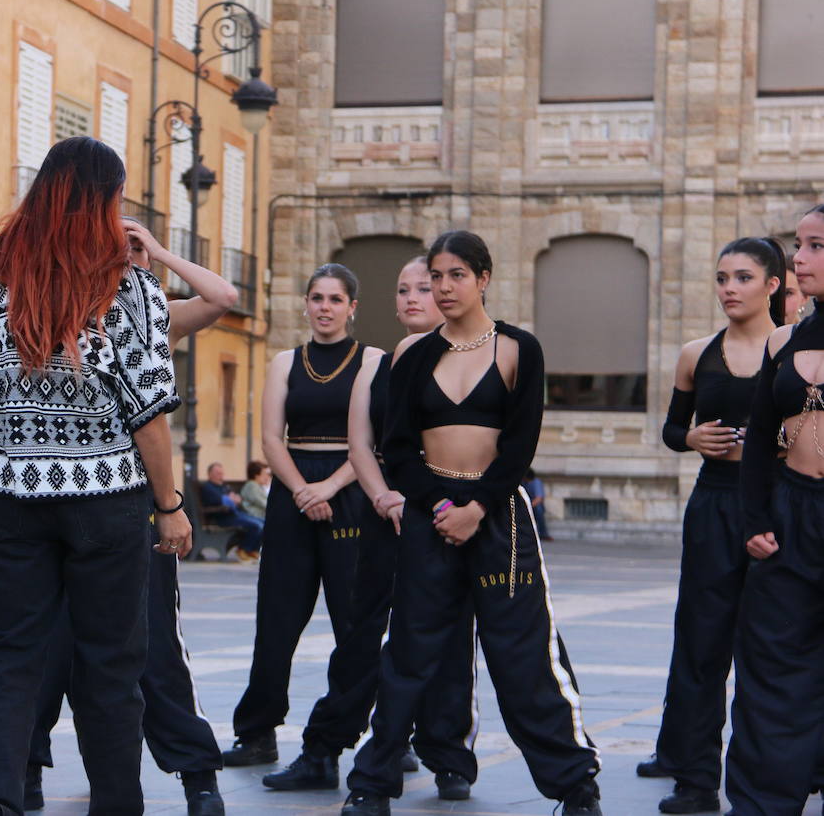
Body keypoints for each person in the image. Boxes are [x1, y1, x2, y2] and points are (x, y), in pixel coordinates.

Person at [0, 137, 189, 816]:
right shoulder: (127, 287)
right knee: (111, 665)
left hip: (12, 500)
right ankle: (116, 805)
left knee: (7, 657)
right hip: (106, 502)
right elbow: (151, 416)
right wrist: (170, 506)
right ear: (103, 201)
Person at [340, 230, 601, 816]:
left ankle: (576, 786)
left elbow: (520, 447)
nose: (443, 287)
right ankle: (373, 784)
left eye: (456, 274)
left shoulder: (517, 349)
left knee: (524, 654)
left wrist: (477, 508)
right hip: (431, 517)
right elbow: (399, 446)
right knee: (408, 651)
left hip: (499, 518)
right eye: (435, 276)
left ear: (483, 278)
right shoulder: (412, 355)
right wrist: (439, 508)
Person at [264, 255, 478, 800]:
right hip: (385, 516)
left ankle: (448, 757)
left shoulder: (472, 359)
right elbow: (363, 443)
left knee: (447, 640)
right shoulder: (379, 365)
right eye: (403, 288)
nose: (412, 298)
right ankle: (322, 750)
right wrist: (382, 495)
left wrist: (440, 502)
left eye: (425, 288)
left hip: (446, 515)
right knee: (358, 640)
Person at [635, 237, 785, 815]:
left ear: (773, 285)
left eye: (743, 278)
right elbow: (673, 430)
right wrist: (692, 438)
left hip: (775, 506)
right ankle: (696, 778)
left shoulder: (794, 351)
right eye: (722, 278)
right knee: (701, 640)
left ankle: (768, 774)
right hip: (713, 503)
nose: (729, 289)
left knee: (769, 646)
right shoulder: (698, 352)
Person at [222, 263, 373, 768]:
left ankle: (372, 731)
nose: (324, 307)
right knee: (277, 619)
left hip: (352, 487)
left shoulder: (374, 360)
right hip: (292, 487)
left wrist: (328, 487)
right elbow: (270, 437)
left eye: (335, 299)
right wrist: (304, 491)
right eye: (317, 298)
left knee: (355, 622)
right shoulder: (284, 361)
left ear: (352, 307)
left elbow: (375, 440)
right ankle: (258, 731)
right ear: (305, 304)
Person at [726, 206, 824, 815]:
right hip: (789, 516)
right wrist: (756, 521)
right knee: (770, 662)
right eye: (799, 245)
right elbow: (761, 440)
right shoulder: (783, 340)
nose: (800, 259)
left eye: (816, 246)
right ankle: (765, 801)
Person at [199, 461, 264, 561]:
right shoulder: (208, 487)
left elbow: (234, 498)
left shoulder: (223, 486)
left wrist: (232, 499)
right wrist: (230, 499)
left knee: (263, 522)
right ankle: (243, 549)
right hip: (223, 517)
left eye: (222, 473)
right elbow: (223, 500)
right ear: (210, 474)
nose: (221, 476)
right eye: (218, 473)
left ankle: (252, 550)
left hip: (235, 514)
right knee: (257, 525)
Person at [524, 469, 551, 541]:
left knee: (539, 510)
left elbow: (539, 499)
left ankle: (543, 533)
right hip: (526, 505)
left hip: (533, 506)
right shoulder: (523, 483)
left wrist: (527, 507)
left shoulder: (536, 483)